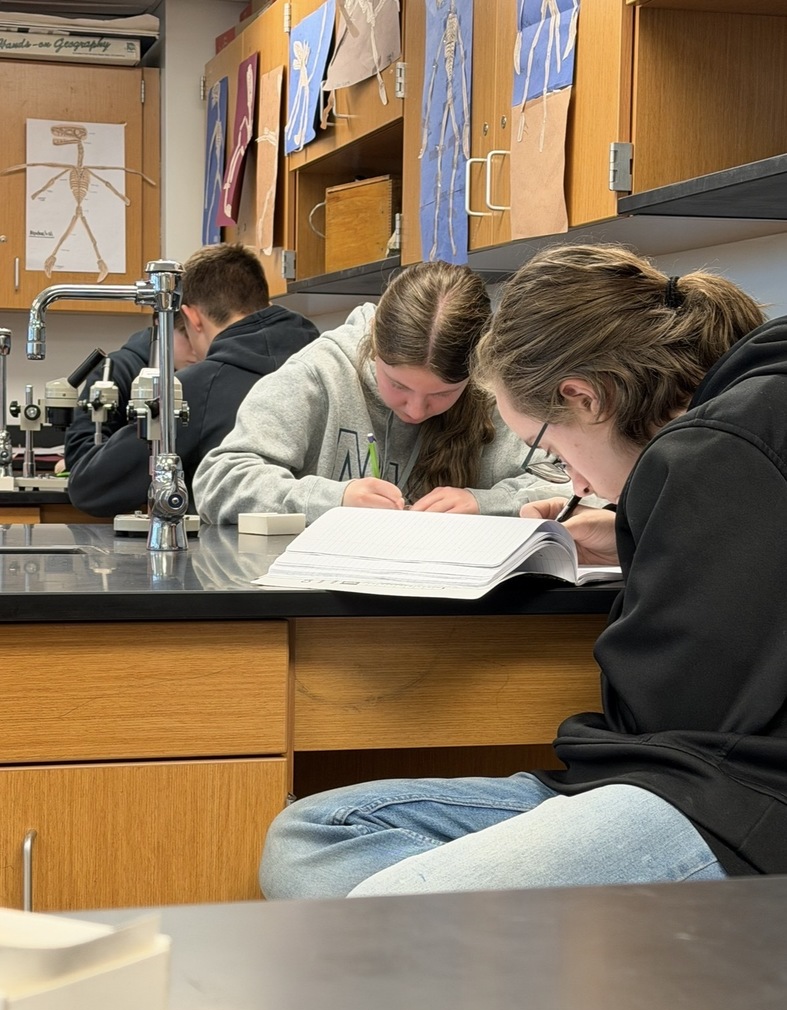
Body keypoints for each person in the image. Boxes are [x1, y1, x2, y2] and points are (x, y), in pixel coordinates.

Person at [259, 242, 787, 900]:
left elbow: (665, 720)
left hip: (736, 799)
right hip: (698, 784)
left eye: (549, 445)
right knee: (318, 832)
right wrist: (643, 536)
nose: (574, 481)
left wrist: (662, 524)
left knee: (375, 916)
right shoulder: (751, 415)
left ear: (583, 397)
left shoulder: (713, 450)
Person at [193, 260, 572, 526]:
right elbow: (219, 481)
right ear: (374, 346)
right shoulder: (319, 372)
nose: (417, 409)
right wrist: (333, 500)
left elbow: (579, 486)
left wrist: (485, 504)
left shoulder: (494, 390)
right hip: (320, 603)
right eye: (399, 386)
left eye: (443, 394)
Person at [65, 243, 318, 517]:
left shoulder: (197, 389)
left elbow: (88, 487)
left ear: (192, 318)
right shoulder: (322, 365)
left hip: (228, 557)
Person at [62, 310, 198, 472]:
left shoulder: (204, 373)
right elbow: (80, 452)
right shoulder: (117, 370)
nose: (196, 350)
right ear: (160, 324)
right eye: (187, 337)